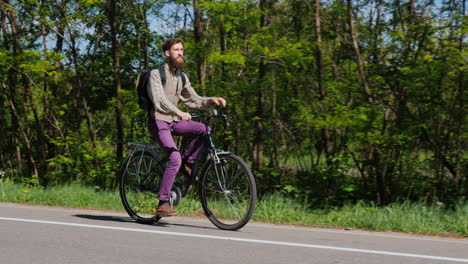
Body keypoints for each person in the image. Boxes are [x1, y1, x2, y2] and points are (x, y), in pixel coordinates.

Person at [147, 38, 226, 217]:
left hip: (174, 120)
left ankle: (187, 163)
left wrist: (210, 100)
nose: (181, 52)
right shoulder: (156, 74)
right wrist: (179, 112)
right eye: (176, 49)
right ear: (168, 53)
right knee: (174, 158)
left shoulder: (181, 77)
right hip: (159, 121)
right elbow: (159, 101)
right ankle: (163, 202)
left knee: (204, 130)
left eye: (182, 49)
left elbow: (193, 99)